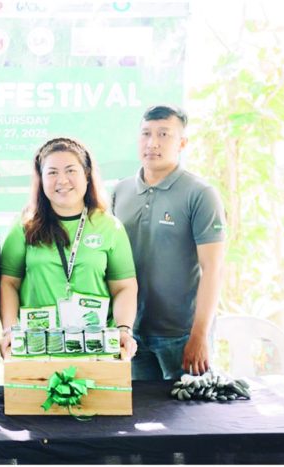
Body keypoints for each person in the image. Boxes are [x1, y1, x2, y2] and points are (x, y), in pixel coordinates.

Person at [112, 104, 226, 380]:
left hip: (182, 335)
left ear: (182, 143)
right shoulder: (120, 191)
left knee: (191, 417)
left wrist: (199, 336)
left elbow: (213, 270)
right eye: (146, 134)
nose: (153, 143)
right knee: (141, 417)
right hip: (132, 335)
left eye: (164, 134)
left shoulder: (201, 194)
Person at [0, 137, 138, 358]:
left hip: (96, 352)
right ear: (41, 179)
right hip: (37, 353)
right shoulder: (24, 225)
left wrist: (123, 329)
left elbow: (124, 287)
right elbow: (8, 283)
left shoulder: (110, 227)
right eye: (52, 172)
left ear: (87, 174)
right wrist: (9, 330)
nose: (61, 180)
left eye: (71, 170)